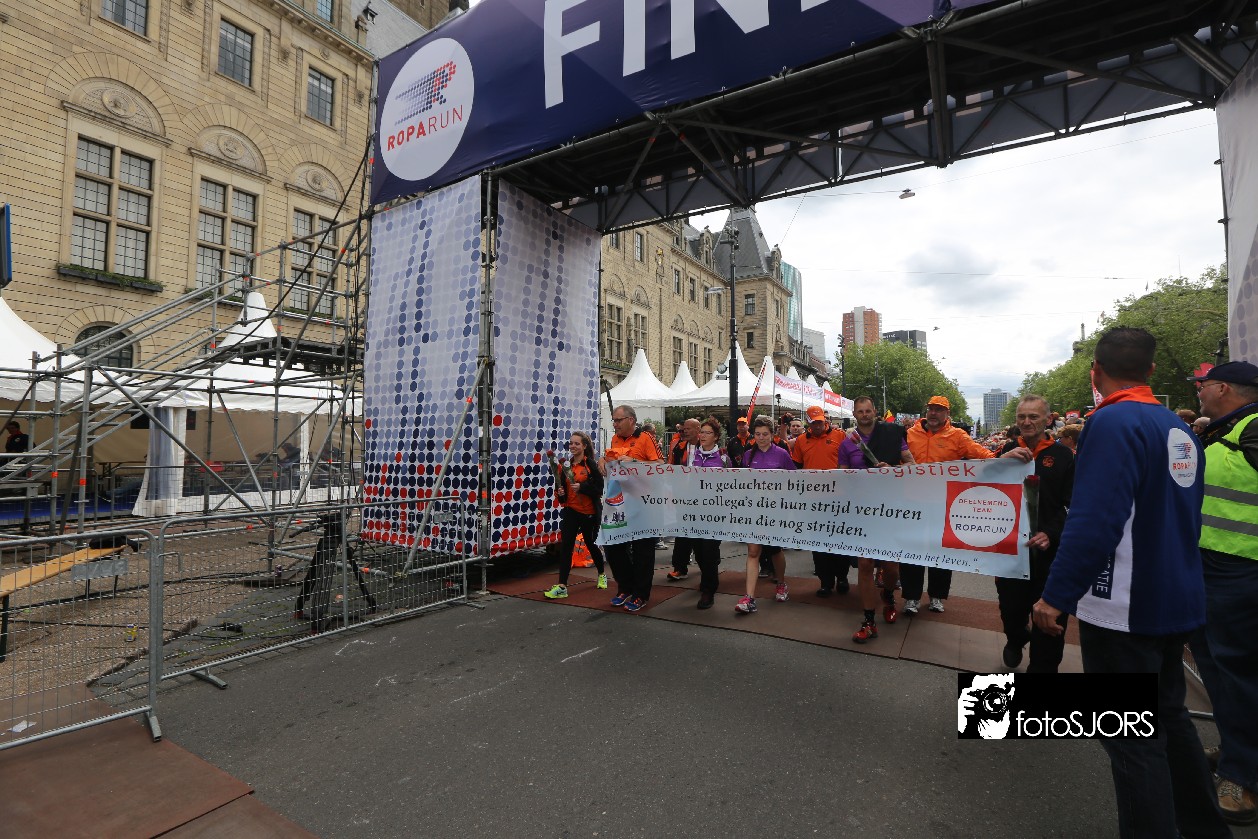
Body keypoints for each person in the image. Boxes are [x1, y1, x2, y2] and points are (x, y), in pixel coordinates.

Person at [1033, 327, 1229, 839]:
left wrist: (1056, 596)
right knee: (1170, 717)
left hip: (1124, 607)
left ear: (1095, 372)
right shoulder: (1178, 426)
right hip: (1176, 597)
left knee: (1131, 741)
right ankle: (1205, 828)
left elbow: (1094, 520)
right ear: (1152, 371)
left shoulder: (1110, 421)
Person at [1187, 360, 1258, 825]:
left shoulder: (1252, 429)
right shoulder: (1227, 429)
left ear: (1224, 388)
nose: (1198, 391)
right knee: (1216, 667)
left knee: (1238, 674)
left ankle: (1244, 779)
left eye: (1203, 384)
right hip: (1212, 567)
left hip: (1240, 570)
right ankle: (1237, 750)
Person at [902, 396, 1031, 615]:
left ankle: (936, 596)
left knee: (941, 551)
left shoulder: (958, 436)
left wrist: (1006, 456)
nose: (933, 413)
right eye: (931, 409)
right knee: (911, 550)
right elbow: (897, 460)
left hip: (943, 503)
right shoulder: (909, 434)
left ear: (947, 414)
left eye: (939, 410)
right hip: (912, 503)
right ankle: (911, 597)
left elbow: (985, 457)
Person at [994, 395, 1075, 672]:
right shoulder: (1007, 448)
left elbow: (1072, 503)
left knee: (1049, 619)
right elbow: (980, 484)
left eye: (1033, 417)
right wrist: (1000, 461)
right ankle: (1016, 638)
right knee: (1011, 610)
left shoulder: (1064, 455)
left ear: (1048, 420)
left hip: (1049, 554)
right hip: (1010, 550)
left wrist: (1050, 533)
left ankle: (1042, 667)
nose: (1027, 422)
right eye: (1022, 417)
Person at [839, 396, 914, 642]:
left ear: (875, 412)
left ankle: (889, 595)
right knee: (865, 564)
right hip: (862, 510)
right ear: (854, 414)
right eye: (860, 411)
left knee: (891, 566)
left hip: (890, 507)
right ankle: (869, 620)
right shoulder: (847, 442)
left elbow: (911, 465)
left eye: (868, 410)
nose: (864, 415)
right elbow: (842, 476)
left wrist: (892, 469)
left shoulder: (893, 434)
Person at [599, 405, 664, 613]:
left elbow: (661, 466)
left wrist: (634, 462)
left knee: (643, 551)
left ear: (631, 420)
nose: (615, 424)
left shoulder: (645, 438)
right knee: (614, 546)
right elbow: (611, 462)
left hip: (644, 503)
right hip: (620, 503)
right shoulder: (614, 439)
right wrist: (602, 460)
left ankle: (640, 594)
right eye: (614, 420)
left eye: (618, 420)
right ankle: (625, 587)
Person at [735, 415, 796, 614]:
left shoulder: (782, 454)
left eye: (765, 434)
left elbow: (793, 480)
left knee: (774, 550)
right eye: (758, 434)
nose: (761, 438)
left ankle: (781, 583)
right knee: (753, 551)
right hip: (753, 510)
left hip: (776, 511)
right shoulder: (748, 455)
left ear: (772, 435)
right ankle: (749, 597)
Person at [792, 405, 850, 597]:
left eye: (820, 422)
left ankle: (842, 577)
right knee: (818, 542)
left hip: (838, 498)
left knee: (840, 539)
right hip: (813, 500)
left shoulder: (840, 436)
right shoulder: (801, 440)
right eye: (814, 422)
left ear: (825, 420)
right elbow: (797, 467)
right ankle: (825, 582)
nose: (817, 426)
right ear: (808, 422)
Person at [544, 431, 607, 600]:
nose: (572, 446)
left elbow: (599, 489)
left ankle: (602, 573)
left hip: (588, 512)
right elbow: (562, 490)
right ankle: (562, 586)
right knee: (566, 547)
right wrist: (561, 493)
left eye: (577, 443)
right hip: (571, 510)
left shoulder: (591, 464)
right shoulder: (566, 465)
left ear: (584, 446)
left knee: (591, 544)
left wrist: (582, 487)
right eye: (571, 443)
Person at [688, 417, 732, 609]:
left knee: (709, 550)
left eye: (708, 433)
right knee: (698, 551)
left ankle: (709, 590)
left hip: (715, 512)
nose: (703, 436)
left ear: (716, 437)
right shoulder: (692, 455)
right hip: (695, 510)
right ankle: (708, 574)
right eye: (702, 432)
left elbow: (731, 484)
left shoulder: (723, 459)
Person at [667, 418, 701, 581]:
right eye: (683, 429)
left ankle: (708, 565)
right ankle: (679, 567)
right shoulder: (678, 448)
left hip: (702, 498)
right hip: (682, 496)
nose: (684, 431)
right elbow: (671, 469)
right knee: (682, 532)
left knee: (702, 534)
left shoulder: (707, 447)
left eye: (688, 428)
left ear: (698, 429)